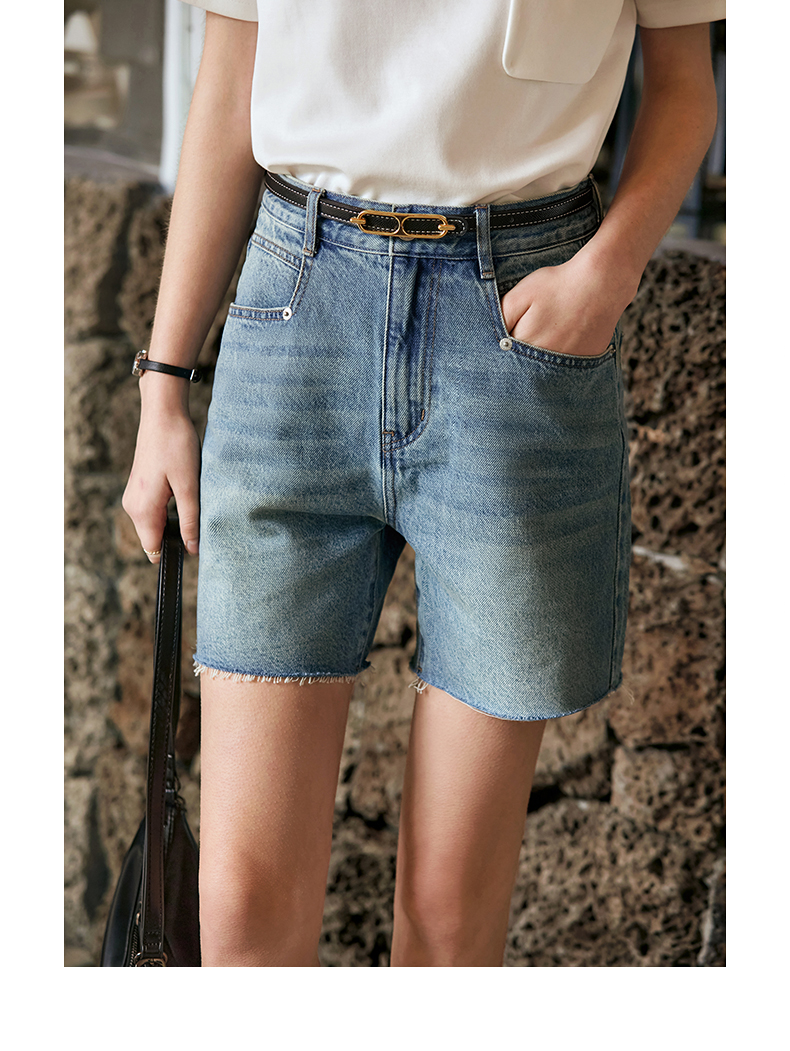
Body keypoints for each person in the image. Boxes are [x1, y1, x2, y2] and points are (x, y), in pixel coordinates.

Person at [122, 0, 724, 966]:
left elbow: (685, 84)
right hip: (296, 316)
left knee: (449, 915)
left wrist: (606, 275)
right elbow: (230, 84)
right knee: (238, 906)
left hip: (518, 327)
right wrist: (163, 387)